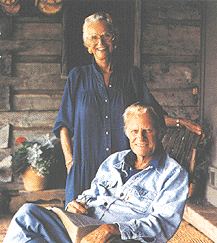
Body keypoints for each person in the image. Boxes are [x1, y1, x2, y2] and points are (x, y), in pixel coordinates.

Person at [52, 12, 202, 208]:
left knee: (117, 225)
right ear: (87, 44)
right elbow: (64, 124)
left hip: (123, 170)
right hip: (84, 169)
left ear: (114, 38)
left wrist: (182, 123)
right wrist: (70, 160)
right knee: (77, 226)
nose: (101, 42)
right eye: (94, 37)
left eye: (106, 35)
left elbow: (153, 116)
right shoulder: (77, 77)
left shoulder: (131, 75)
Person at [4, 103, 189, 243]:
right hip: (82, 228)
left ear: (160, 132)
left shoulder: (173, 174)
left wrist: (114, 229)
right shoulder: (114, 161)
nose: (140, 138)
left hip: (120, 238)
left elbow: (162, 223)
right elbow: (91, 194)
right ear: (126, 132)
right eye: (134, 131)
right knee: (28, 214)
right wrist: (78, 204)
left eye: (147, 130)